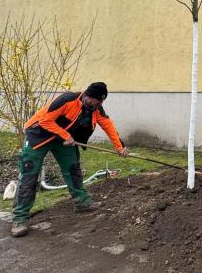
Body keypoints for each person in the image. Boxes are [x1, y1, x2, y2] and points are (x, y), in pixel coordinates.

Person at [11, 82, 129, 237]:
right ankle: (20, 219)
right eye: (96, 101)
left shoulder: (95, 109)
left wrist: (119, 146)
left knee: (73, 169)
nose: (98, 105)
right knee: (29, 175)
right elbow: (45, 121)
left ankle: (82, 202)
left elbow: (107, 124)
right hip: (39, 136)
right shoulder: (67, 100)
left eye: (100, 102)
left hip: (62, 139)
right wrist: (66, 136)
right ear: (88, 95)